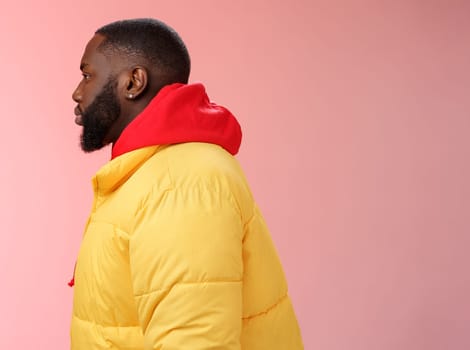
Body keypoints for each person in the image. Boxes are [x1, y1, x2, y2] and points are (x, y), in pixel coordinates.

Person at [69, 18, 303, 349]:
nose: (77, 93)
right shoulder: (149, 173)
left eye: (87, 75)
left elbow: (195, 340)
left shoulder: (182, 183)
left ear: (133, 82)